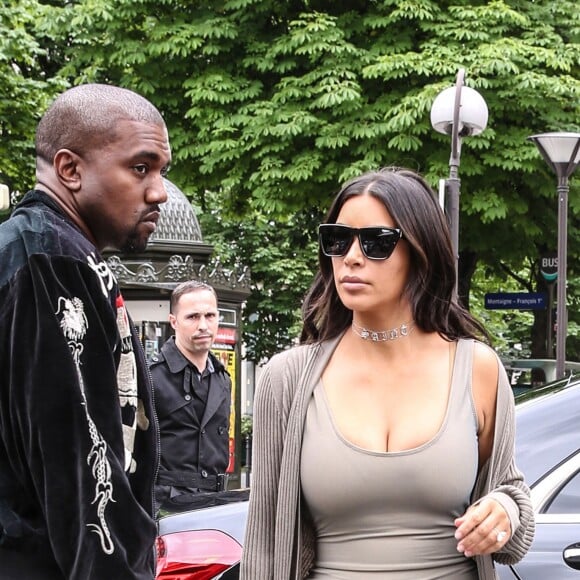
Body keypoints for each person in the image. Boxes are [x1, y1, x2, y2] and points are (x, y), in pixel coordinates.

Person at [241, 167, 535, 579]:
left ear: (421, 251)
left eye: (376, 242)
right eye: (337, 240)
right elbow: (265, 541)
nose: (352, 257)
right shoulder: (286, 379)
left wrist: (504, 511)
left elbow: (511, 491)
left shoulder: (477, 368)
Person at [0, 84, 171, 579]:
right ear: (70, 170)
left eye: (161, 171)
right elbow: (76, 460)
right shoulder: (46, 260)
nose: (158, 190)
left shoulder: (59, 253)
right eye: (140, 168)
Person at [150, 281, 232, 509]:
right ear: (173, 322)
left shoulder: (222, 379)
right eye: (193, 317)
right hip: (164, 507)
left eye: (210, 315)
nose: (203, 325)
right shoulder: (151, 377)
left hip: (214, 504)